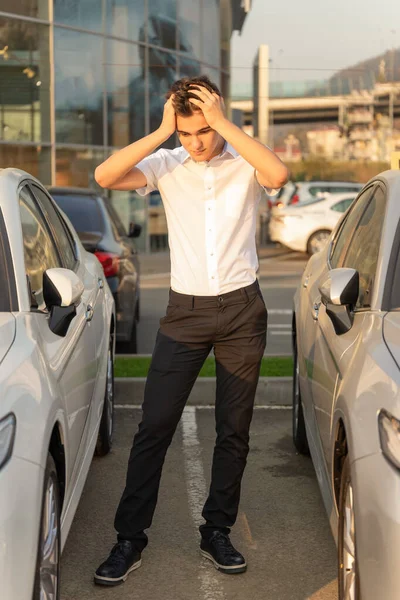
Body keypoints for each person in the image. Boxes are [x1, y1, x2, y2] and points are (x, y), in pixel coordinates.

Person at [93, 75, 289, 586]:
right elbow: (105, 176)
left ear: (218, 119)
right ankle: (129, 539)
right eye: (188, 133)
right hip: (185, 312)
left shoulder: (244, 157)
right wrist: (162, 133)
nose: (197, 142)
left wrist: (225, 122)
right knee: (154, 425)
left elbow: (278, 173)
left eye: (203, 130)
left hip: (243, 309)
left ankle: (217, 532)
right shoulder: (167, 162)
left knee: (234, 430)